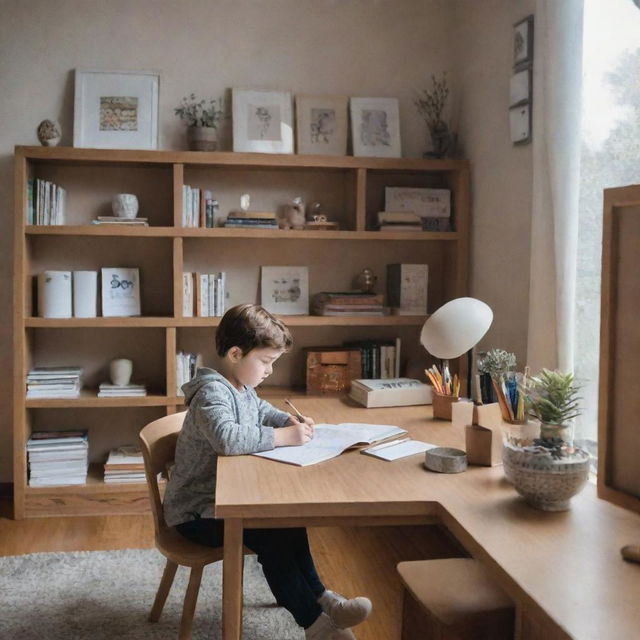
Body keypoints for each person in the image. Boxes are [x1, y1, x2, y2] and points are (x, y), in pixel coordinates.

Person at [163, 303, 372, 639]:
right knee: (272, 535)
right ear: (235, 354)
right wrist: (283, 437)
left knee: (288, 520)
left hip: (224, 500)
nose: (270, 371)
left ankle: (323, 599)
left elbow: (260, 409)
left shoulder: (241, 387)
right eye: (265, 361)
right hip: (196, 514)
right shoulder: (212, 393)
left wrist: (286, 420)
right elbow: (228, 439)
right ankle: (314, 624)